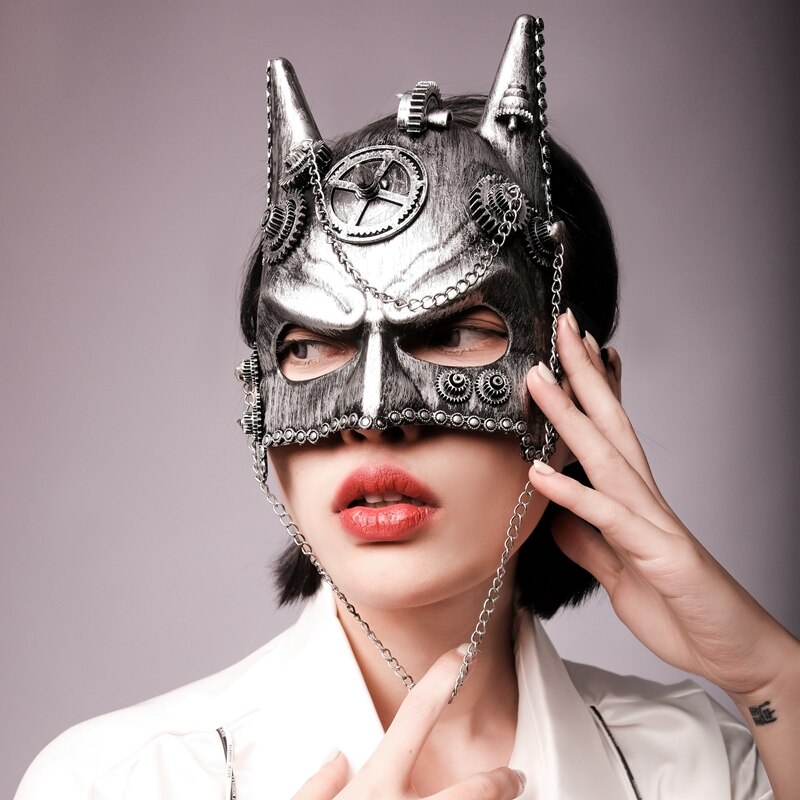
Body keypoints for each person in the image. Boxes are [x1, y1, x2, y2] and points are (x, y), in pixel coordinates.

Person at [15, 14, 799, 800]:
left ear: (585, 403)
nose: (372, 416)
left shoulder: (710, 768)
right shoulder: (108, 783)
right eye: (310, 344)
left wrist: (770, 677)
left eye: (454, 332)